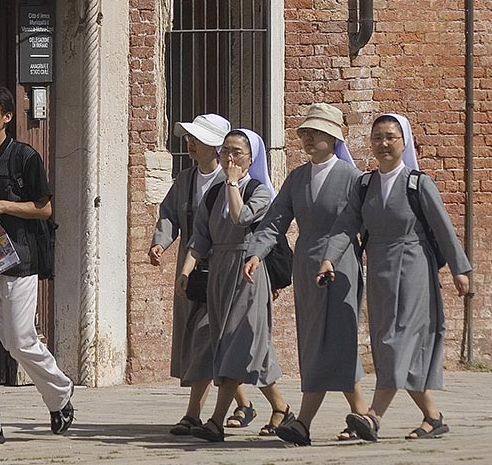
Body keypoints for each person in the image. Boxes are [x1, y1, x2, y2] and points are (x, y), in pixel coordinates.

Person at [317, 113, 472, 442]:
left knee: (395, 342)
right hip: (380, 273)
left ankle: (372, 417)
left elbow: (444, 229)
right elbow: (346, 225)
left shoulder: (418, 184)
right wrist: (330, 258)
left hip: (414, 268)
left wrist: (460, 269)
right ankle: (433, 417)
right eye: (378, 138)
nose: (384, 144)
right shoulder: (364, 184)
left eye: (391, 137)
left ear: (405, 142)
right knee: (391, 345)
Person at [0, 86, 75, 445]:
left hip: (18, 259)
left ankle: (60, 394)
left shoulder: (25, 157)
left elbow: (46, 208)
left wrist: (2, 206)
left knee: (19, 340)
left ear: (6, 117)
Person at [243, 103, 370, 446]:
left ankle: (305, 423)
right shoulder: (297, 177)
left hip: (340, 266)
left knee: (335, 338)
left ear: (333, 137)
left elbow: (352, 225)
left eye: (315, 133)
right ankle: (363, 415)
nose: (308, 139)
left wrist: (333, 256)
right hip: (305, 267)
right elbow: (276, 220)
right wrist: (257, 252)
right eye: (305, 133)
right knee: (318, 338)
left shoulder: (352, 178)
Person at [177, 128, 293, 443]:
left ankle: (215, 421)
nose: (230, 158)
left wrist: (230, 181)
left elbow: (242, 218)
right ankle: (281, 407)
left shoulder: (260, 191)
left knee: (235, 342)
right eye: (226, 150)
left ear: (251, 158)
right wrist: (186, 272)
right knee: (244, 345)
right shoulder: (214, 194)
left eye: (237, 152)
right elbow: (200, 236)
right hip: (219, 274)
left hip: (248, 272)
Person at [148, 113, 256, 434]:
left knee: (206, 337)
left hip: (224, 269)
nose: (190, 143)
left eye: (198, 139)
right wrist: (160, 243)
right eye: (190, 138)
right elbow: (168, 215)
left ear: (217, 147)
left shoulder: (233, 184)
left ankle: (194, 413)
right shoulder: (185, 180)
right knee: (204, 338)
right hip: (192, 268)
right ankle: (247, 403)